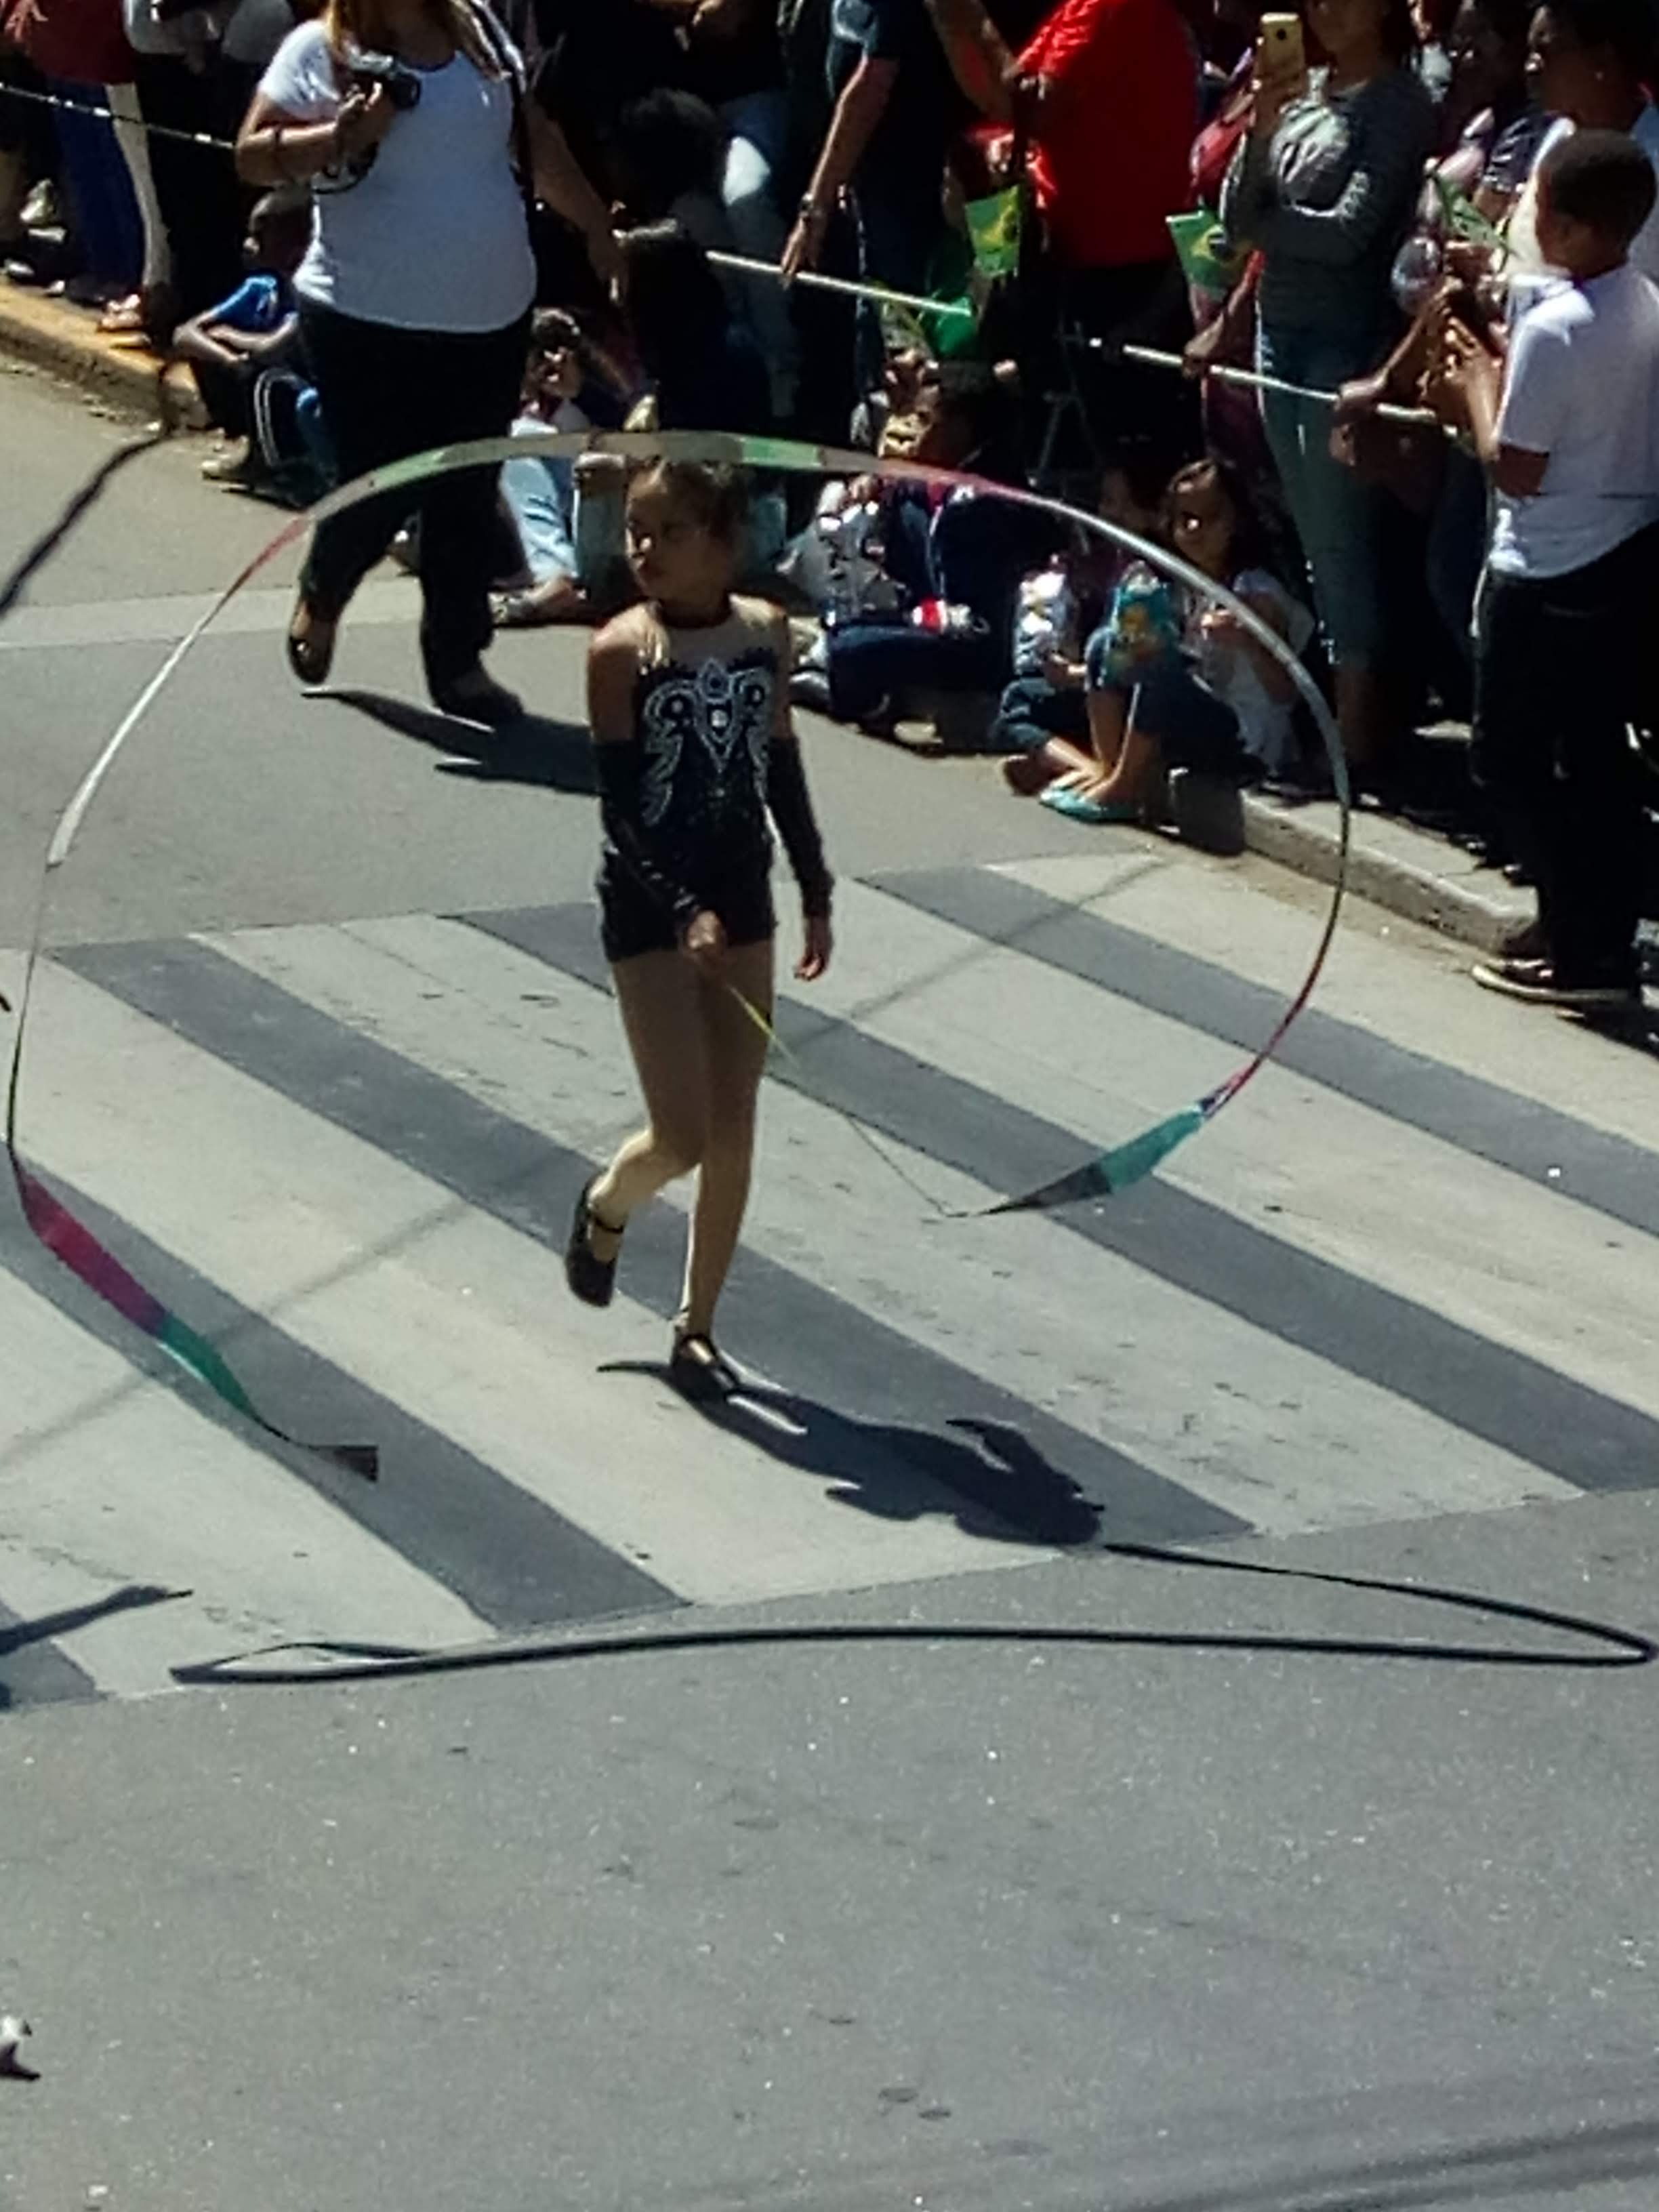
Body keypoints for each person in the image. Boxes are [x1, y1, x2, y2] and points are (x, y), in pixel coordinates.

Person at [237, 0, 621, 724]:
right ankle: (325, 588)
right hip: (361, 313)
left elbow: (531, 136)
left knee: (466, 492)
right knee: (379, 482)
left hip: (489, 315)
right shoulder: (323, 49)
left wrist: (596, 225)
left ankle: (457, 662)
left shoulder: (479, 32)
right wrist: (340, 135)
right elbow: (252, 154)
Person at [566, 459, 835, 1397]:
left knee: (734, 1123)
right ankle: (608, 1204)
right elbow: (620, 811)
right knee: (680, 1134)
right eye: (636, 530)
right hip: (650, 905)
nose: (646, 549)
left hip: (743, 892)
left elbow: (781, 763)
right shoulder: (620, 652)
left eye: (671, 531)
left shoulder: (765, 633)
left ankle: (698, 1325)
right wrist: (683, 908)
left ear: (725, 544)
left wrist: (815, 885)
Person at [1425, 129, 1659, 1012]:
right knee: (1592, 757)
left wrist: (1475, 389)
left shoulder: (1558, 332)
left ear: (1568, 225)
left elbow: (1516, 465)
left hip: (1548, 563)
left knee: (1510, 760)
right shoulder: (1640, 301)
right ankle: (1591, 929)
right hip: (1621, 552)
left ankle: (1582, 939)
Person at [1221, 0, 1436, 780]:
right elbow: (1232, 210)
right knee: (1315, 538)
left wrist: (1262, 225)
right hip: (1278, 333)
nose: (1328, 10)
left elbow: (1349, 231)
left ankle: (1357, 737)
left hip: (1342, 342)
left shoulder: (1400, 103)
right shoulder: (1304, 92)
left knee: (1343, 542)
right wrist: (1261, 128)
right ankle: (1343, 719)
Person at [1035, 455, 1313, 821]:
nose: (1194, 529)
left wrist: (1249, 641)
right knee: (1105, 643)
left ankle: (1124, 787)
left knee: (1161, 675)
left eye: (1210, 517)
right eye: (1184, 519)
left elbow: (1286, 692)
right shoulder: (1188, 586)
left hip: (1247, 740)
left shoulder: (1255, 592)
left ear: (1238, 521)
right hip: (1199, 720)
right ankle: (1109, 767)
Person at [781, 0, 965, 403]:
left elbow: (871, 83)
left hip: (921, 181)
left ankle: (908, 426)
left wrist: (815, 207)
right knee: (883, 322)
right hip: (874, 178)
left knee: (904, 339)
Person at [173, 185, 310, 489]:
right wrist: (228, 358)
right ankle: (252, 451)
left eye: (261, 237)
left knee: (265, 377)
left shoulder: (308, 295)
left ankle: (285, 465)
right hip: (259, 370)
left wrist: (229, 336)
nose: (249, 245)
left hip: (300, 390)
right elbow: (184, 334)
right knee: (219, 359)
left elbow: (272, 348)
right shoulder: (261, 288)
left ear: (297, 246)